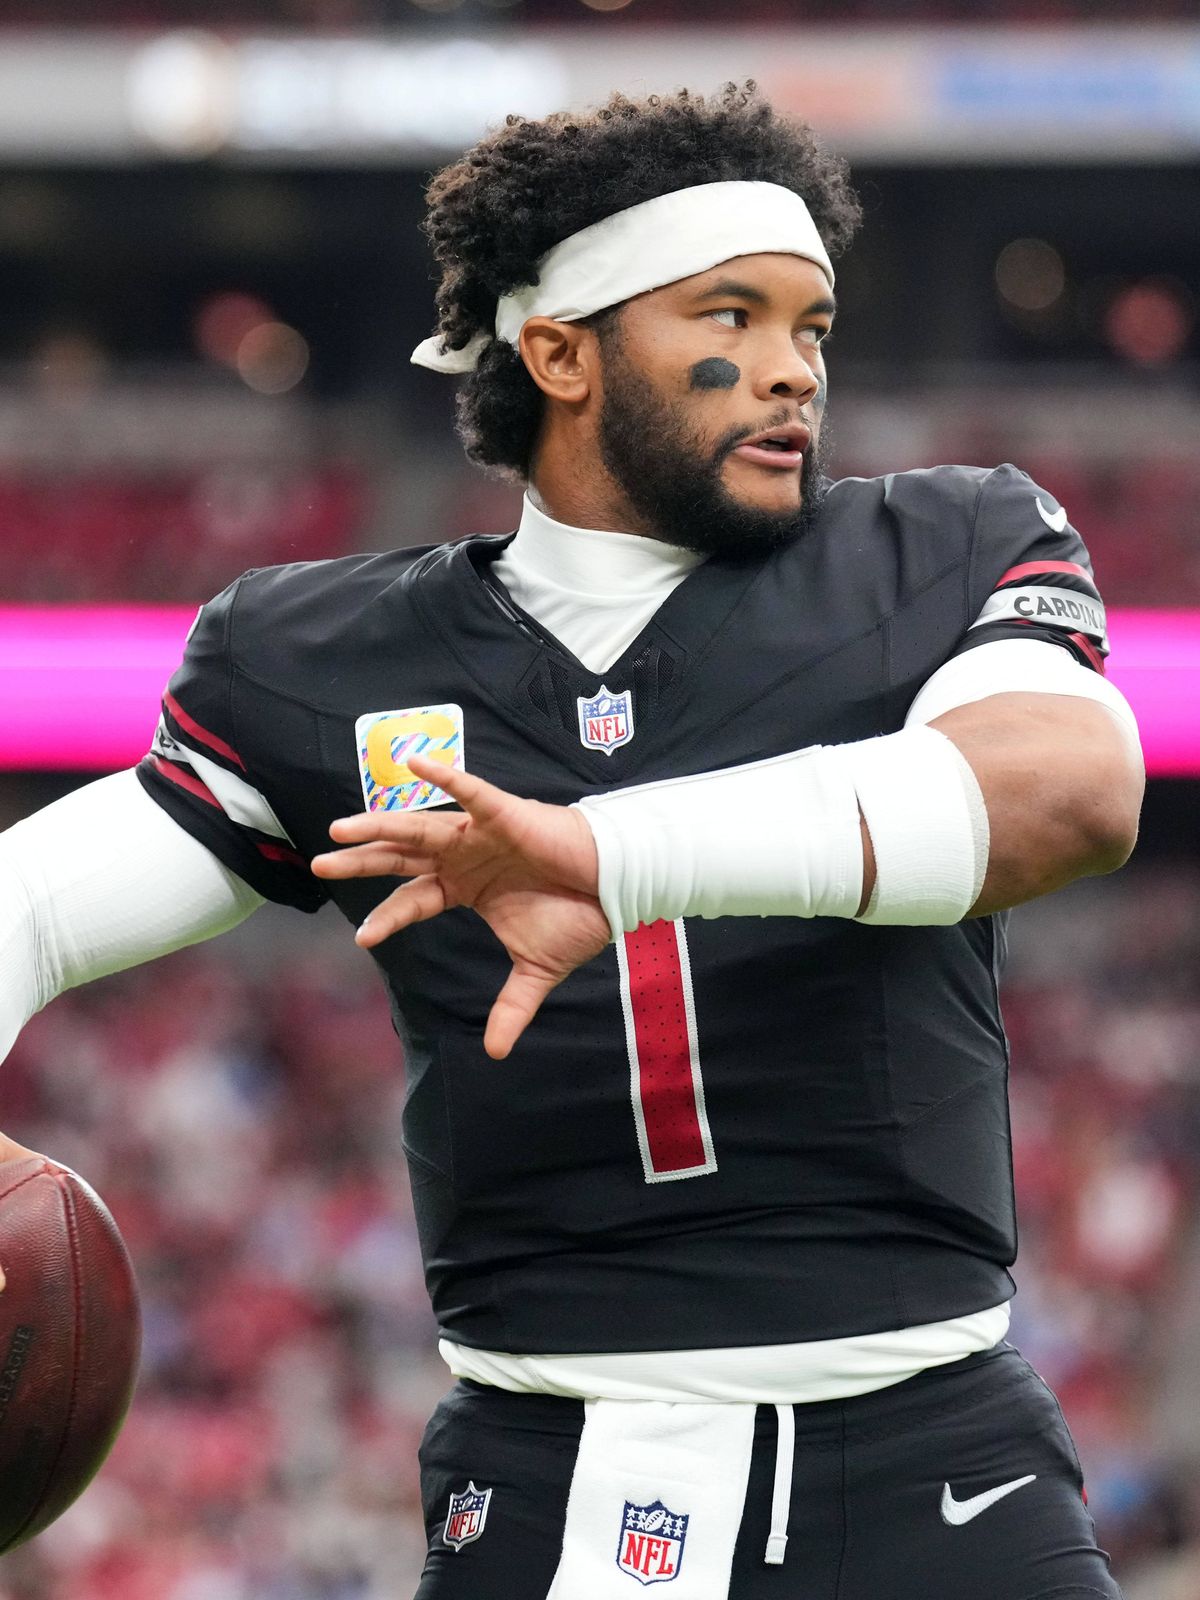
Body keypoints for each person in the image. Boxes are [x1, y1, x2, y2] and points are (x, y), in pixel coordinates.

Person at [0, 84, 1143, 1600]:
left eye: (815, 325)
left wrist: (608, 856)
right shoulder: (323, 654)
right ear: (559, 351)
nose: (795, 371)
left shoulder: (937, 549)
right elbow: (39, 906)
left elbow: (1070, 790)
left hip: (928, 1462)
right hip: (543, 1484)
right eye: (731, 315)